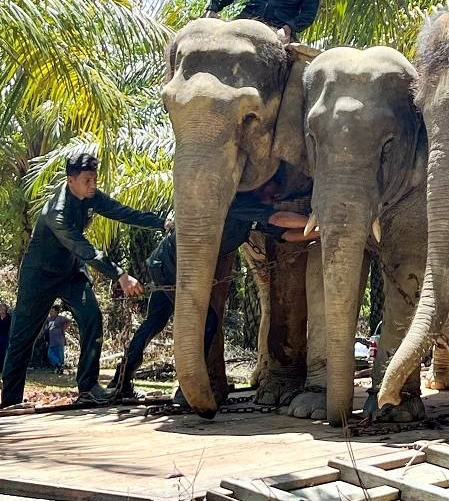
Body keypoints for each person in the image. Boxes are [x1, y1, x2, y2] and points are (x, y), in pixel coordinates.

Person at [110, 170, 318, 399]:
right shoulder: (239, 202)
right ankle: (193, 383)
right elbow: (279, 218)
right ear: (257, 184)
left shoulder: (253, 215)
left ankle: (122, 378)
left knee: (154, 321)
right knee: (206, 322)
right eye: (274, 186)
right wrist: (320, 219)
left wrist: (319, 232)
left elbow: (285, 234)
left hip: (166, 264)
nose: (277, 192)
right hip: (173, 267)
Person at [0, 153, 172, 409]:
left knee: (92, 317)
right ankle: (10, 401)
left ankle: (88, 386)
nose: (93, 185)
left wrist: (162, 223)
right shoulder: (56, 212)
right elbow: (85, 250)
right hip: (39, 276)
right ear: (71, 181)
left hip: (70, 272)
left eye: (95, 179)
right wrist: (120, 275)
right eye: (88, 180)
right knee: (23, 337)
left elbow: (122, 212)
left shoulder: (91, 197)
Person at [44, 305, 71, 374]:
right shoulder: (49, 319)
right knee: (50, 354)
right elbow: (46, 327)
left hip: (59, 339)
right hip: (51, 340)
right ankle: (58, 365)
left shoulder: (60, 318)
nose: (51, 312)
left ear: (56, 312)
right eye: (50, 311)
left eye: (52, 311)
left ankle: (59, 368)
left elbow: (69, 321)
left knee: (59, 354)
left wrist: (64, 328)